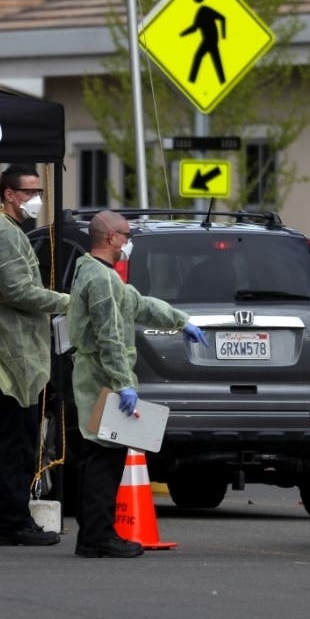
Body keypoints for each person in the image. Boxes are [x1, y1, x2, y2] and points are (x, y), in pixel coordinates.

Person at [67, 210, 209, 558]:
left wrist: (180, 321)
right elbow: (111, 337)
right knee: (105, 459)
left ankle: (93, 533)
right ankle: (98, 537)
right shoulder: (101, 280)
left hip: (94, 376)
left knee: (96, 458)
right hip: (102, 377)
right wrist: (122, 383)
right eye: (126, 235)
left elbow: (137, 305)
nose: (129, 243)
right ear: (111, 237)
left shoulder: (97, 274)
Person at [0, 165, 69, 546]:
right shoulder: (5, 234)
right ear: (8, 194)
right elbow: (19, 291)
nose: (35, 199)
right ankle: (11, 521)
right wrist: (68, 302)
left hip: (2, 338)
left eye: (38, 191)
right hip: (11, 344)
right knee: (15, 437)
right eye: (28, 192)